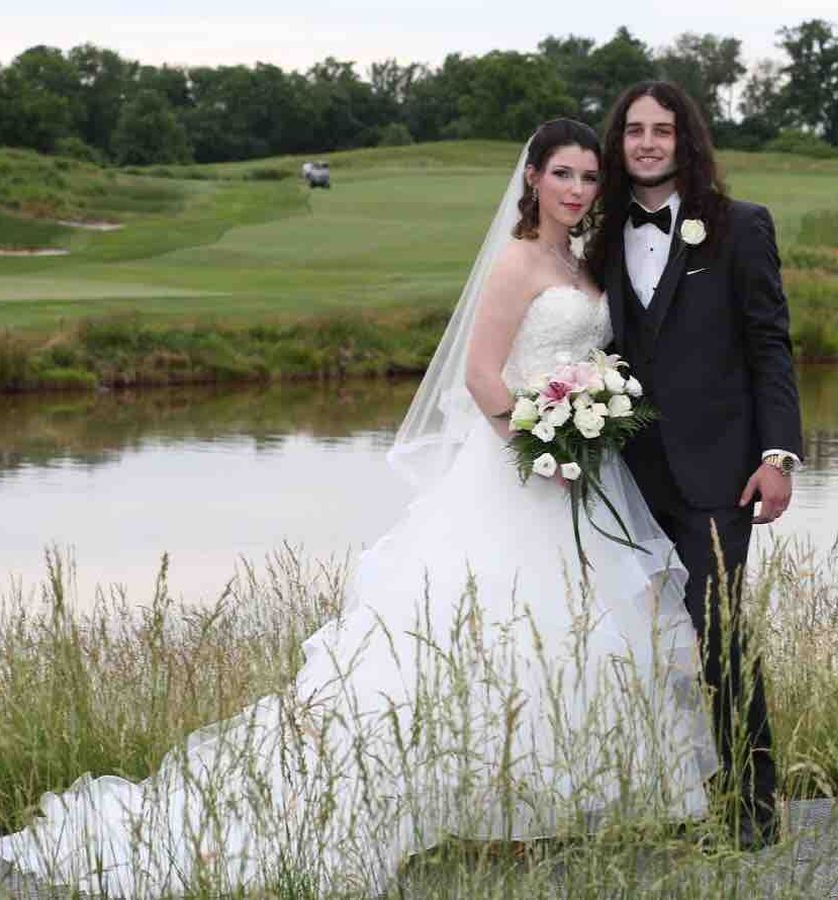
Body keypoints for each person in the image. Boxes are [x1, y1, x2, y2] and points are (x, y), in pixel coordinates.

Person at [0, 119, 718, 898]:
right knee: (495, 625)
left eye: (588, 177)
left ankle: (547, 807)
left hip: (583, 468)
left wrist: (589, 421)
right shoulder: (516, 261)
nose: (576, 190)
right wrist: (540, 446)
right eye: (563, 175)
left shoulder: (579, 260)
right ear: (533, 179)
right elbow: (481, 375)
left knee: (577, 626)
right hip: (525, 469)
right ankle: (463, 808)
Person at [589, 81, 805, 850]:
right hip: (622, 480)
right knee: (642, 645)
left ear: (686, 141)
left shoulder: (741, 225)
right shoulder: (598, 234)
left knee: (718, 636)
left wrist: (778, 455)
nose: (648, 143)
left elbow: (770, 343)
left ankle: (755, 809)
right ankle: (670, 799)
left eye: (663, 130)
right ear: (618, 143)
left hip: (721, 474)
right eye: (634, 130)